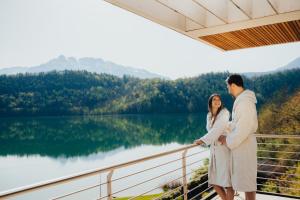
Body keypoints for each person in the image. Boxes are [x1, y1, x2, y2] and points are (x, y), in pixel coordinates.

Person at [218, 74, 258, 200]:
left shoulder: (245, 102)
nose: (228, 89)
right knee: (247, 183)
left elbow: (243, 129)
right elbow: (237, 124)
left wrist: (226, 140)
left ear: (233, 85)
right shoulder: (242, 101)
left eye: (228, 86)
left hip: (245, 147)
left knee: (248, 184)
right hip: (243, 147)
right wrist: (224, 126)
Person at [194, 94, 234, 200]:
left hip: (224, 150)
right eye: (214, 99)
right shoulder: (209, 115)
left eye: (219, 99)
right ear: (210, 102)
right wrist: (212, 138)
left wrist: (202, 140)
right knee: (213, 180)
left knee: (228, 182)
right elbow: (212, 131)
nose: (217, 101)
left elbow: (218, 129)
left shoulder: (225, 113)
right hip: (214, 151)